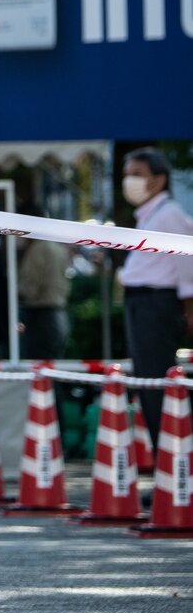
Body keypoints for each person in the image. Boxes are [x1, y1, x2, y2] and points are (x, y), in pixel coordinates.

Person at [118, 146, 193, 450]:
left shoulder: (168, 214)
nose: (130, 181)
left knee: (157, 385)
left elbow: (187, 266)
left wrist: (189, 309)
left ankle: (174, 460)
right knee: (148, 384)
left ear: (159, 179)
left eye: (138, 174)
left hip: (156, 305)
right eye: (127, 174)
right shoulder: (150, 215)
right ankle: (168, 460)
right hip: (143, 304)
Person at [17, 203, 70, 360]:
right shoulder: (57, 247)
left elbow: (30, 288)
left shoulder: (37, 249)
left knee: (37, 364)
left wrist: (14, 295)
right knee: (53, 363)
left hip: (40, 317)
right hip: (58, 313)